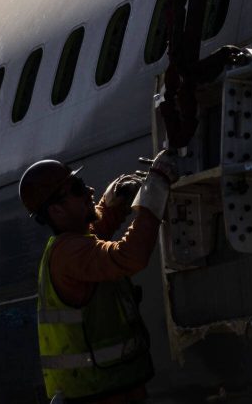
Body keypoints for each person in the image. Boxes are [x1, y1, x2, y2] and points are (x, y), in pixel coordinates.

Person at [18, 152, 178, 404]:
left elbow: (95, 230)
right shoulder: (68, 254)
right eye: (78, 189)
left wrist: (114, 202)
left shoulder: (72, 245)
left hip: (109, 390)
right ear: (57, 210)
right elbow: (129, 256)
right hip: (99, 394)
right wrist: (155, 188)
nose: (89, 190)